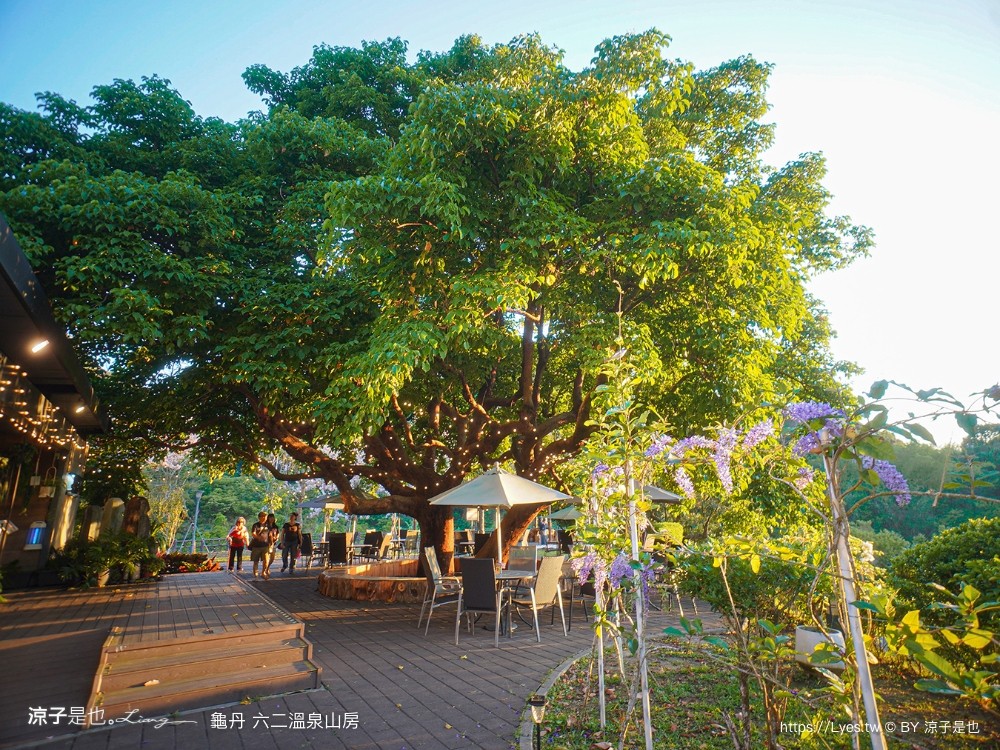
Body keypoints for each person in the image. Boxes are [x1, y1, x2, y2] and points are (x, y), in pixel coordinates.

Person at [249, 512, 271, 579]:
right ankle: (255, 574)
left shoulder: (268, 525)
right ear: (259, 517)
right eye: (262, 516)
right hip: (256, 546)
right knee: (256, 561)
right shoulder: (255, 525)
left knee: (266, 560)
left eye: (265, 516)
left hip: (265, 545)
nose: (264, 518)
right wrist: (258, 537)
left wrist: (271, 544)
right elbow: (253, 533)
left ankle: (263, 572)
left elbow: (271, 534)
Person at [264, 512, 279, 577]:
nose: (272, 519)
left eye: (273, 518)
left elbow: (278, 533)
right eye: (270, 518)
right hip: (266, 544)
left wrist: (277, 537)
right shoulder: (265, 525)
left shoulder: (275, 526)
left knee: (272, 558)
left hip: (273, 543)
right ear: (268, 518)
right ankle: (264, 570)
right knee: (266, 558)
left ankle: (267, 568)